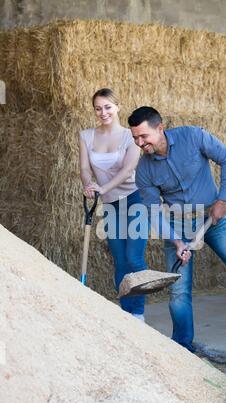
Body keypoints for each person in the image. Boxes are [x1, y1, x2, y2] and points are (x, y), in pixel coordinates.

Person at [127, 106, 226, 355]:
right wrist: (176, 242)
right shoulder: (144, 170)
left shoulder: (193, 136)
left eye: (143, 136)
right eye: (135, 138)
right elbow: (153, 212)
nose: (140, 143)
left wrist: (222, 200)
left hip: (213, 220)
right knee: (179, 290)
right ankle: (183, 346)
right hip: (178, 226)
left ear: (160, 128)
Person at [79, 88, 147, 321]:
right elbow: (86, 168)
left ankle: (138, 314)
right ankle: (125, 314)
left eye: (108, 106)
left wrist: (104, 188)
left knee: (133, 258)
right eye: (98, 108)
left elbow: (129, 168)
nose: (103, 112)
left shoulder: (131, 136)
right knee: (119, 259)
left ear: (117, 107)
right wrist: (89, 185)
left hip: (134, 200)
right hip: (110, 205)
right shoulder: (86, 136)